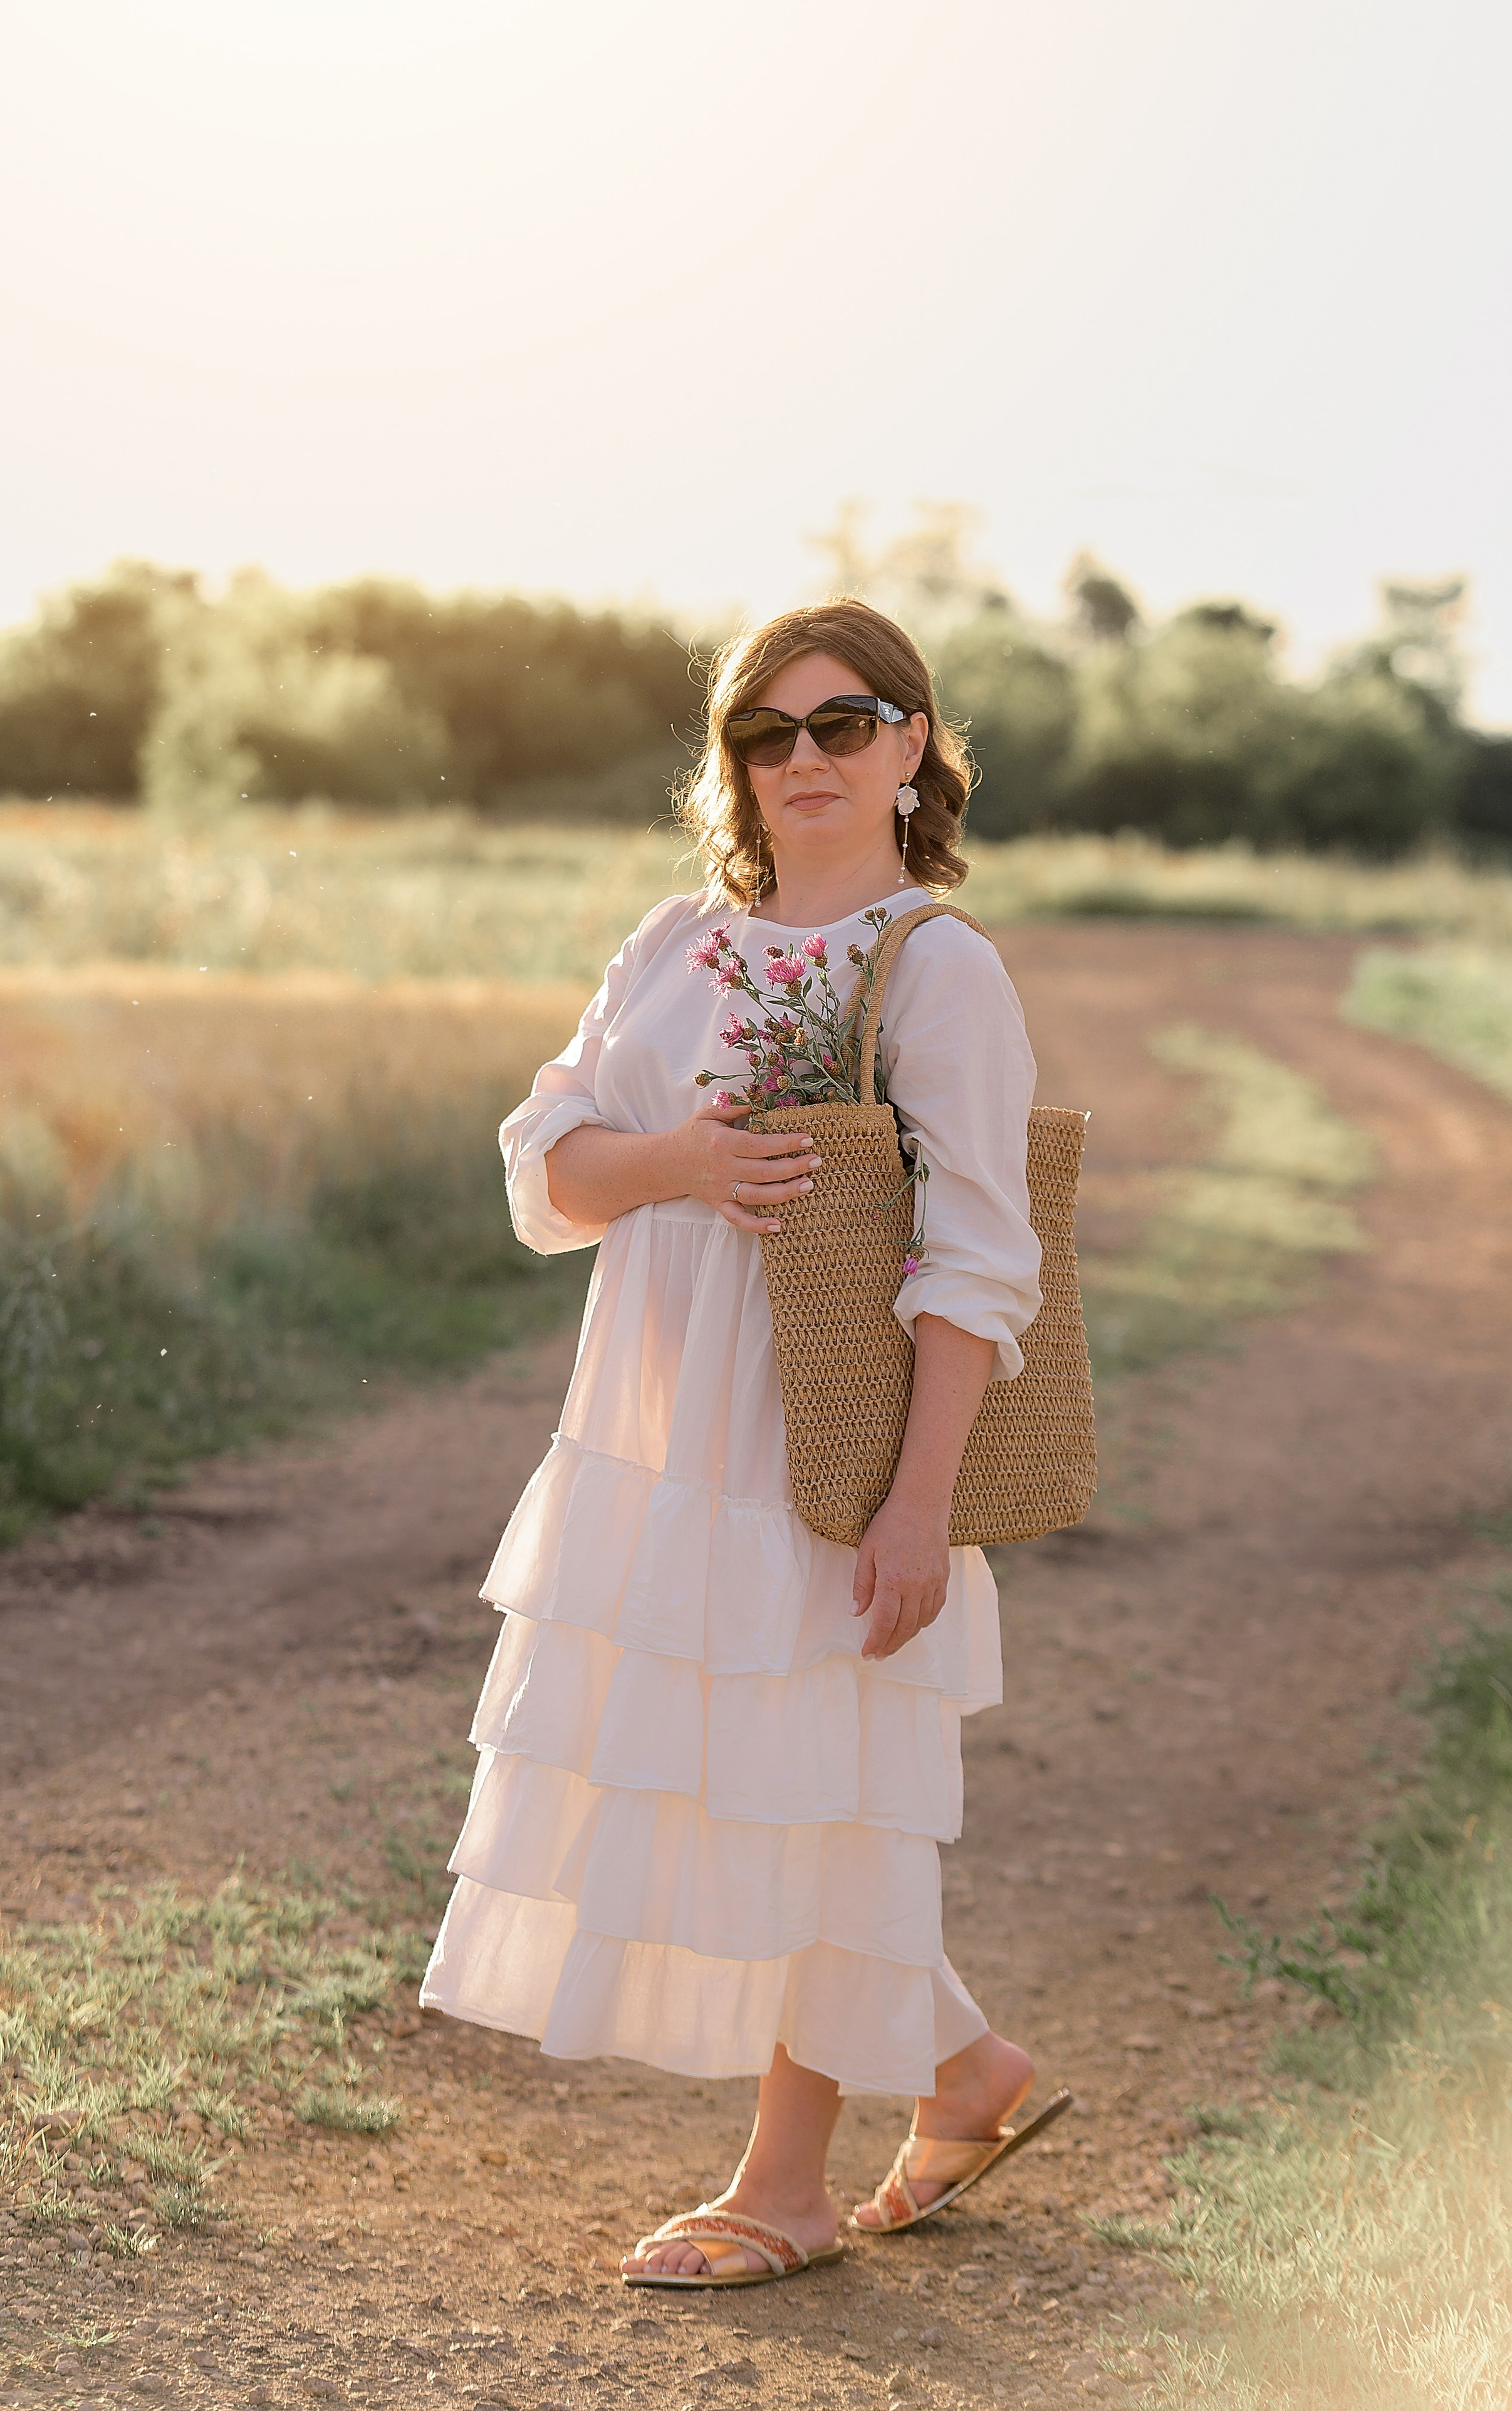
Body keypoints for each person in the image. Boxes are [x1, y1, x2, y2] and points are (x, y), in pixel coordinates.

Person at [421, 597, 1066, 2287]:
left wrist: (918, 1506)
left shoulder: (939, 967)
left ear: (914, 744)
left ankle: (786, 2190)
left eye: (841, 724)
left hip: (825, 1462)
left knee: (818, 1800)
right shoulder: (672, 942)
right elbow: (548, 1161)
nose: (802, 761)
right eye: (764, 734)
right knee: (727, 1778)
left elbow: (982, 1261)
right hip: (655, 1445)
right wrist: (678, 1166)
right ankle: (966, 2072)